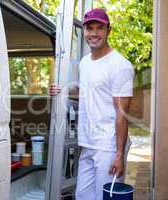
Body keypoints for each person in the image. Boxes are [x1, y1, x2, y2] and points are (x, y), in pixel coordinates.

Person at [49, 8, 134, 200]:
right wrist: (62, 92)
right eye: (89, 28)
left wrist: (119, 155)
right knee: (82, 196)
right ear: (84, 30)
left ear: (108, 30)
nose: (94, 33)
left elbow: (122, 114)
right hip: (87, 142)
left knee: (105, 197)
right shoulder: (85, 62)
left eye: (99, 28)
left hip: (108, 146)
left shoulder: (120, 66)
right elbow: (88, 94)